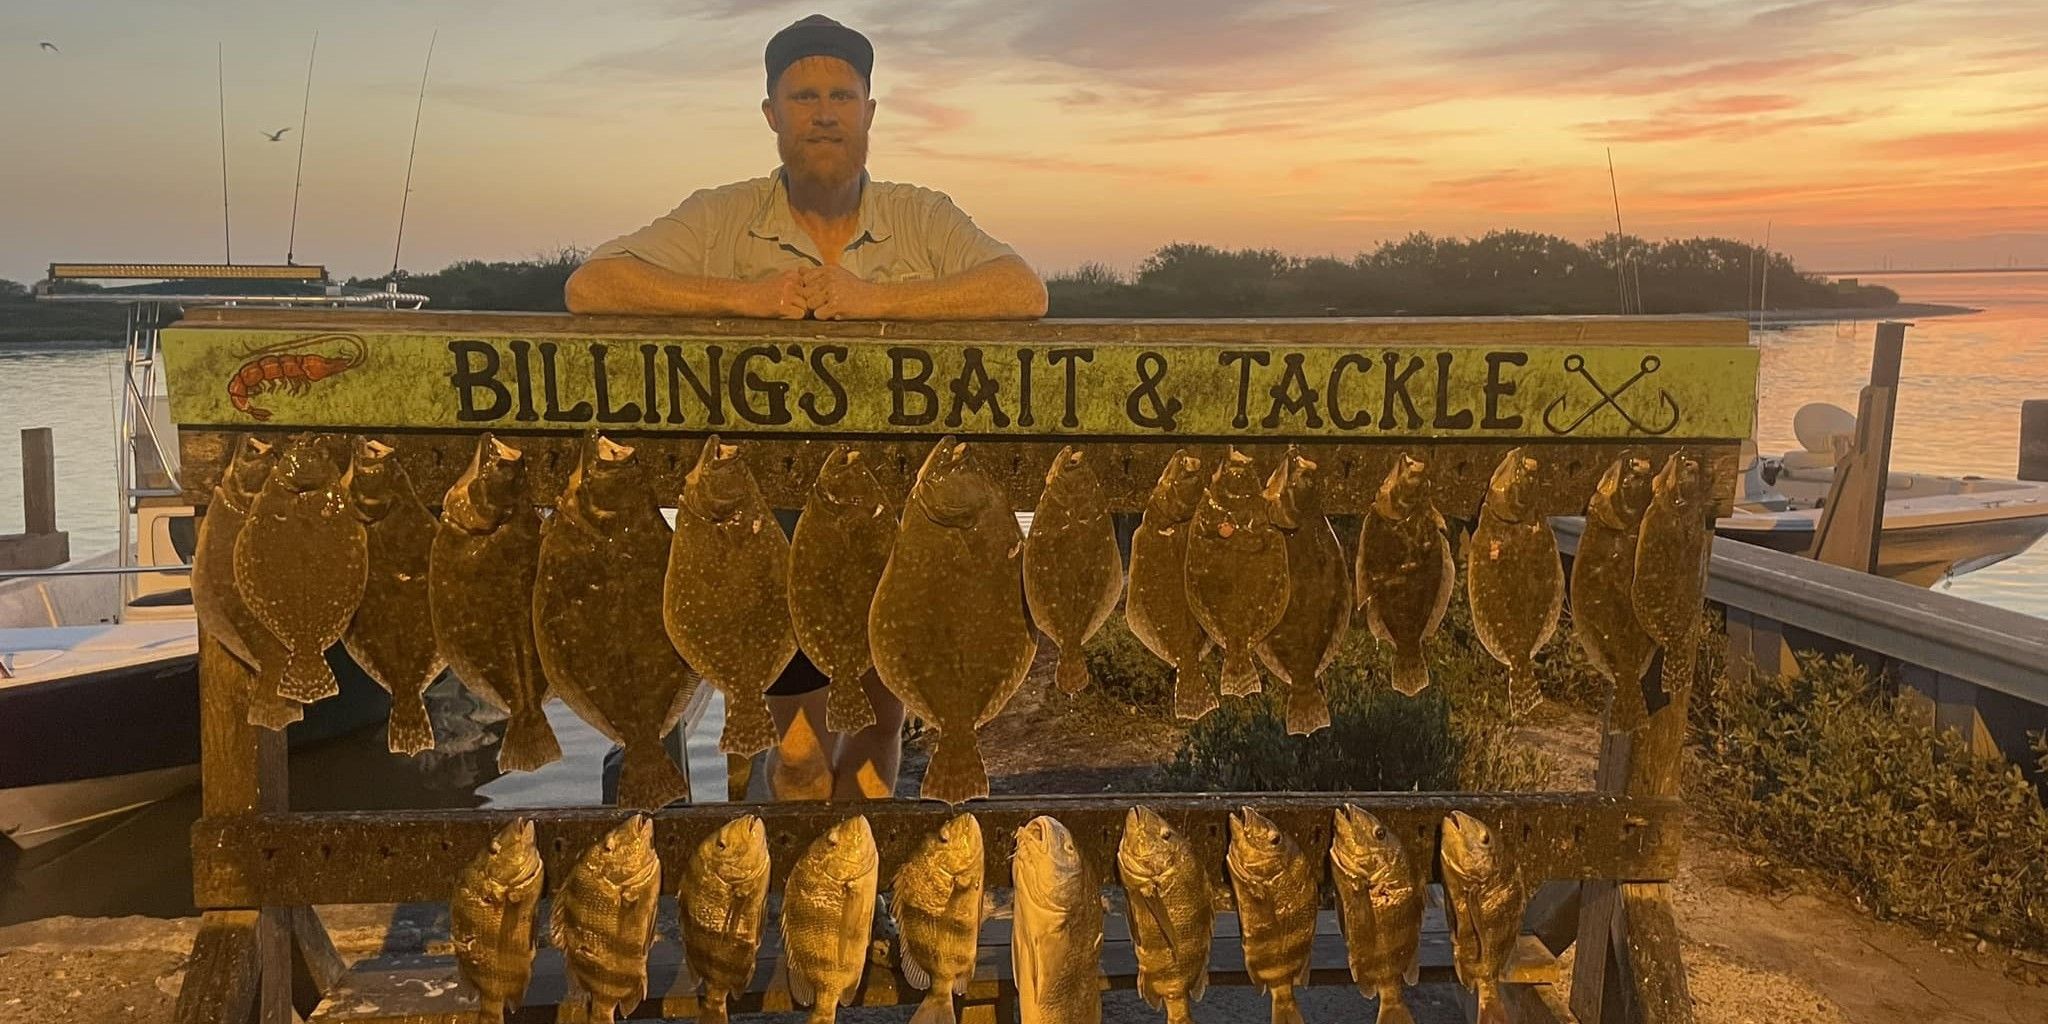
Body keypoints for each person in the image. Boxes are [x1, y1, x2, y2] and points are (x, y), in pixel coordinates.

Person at [566, 14, 1047, 803]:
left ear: (868, 112)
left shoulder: (921, 215)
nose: (824, 112)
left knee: (879, 725)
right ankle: (799, 883)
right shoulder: (723, 217)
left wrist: (875, 301)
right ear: (771, 115)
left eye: (841, 95)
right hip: (765, 536)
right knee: (793, 738)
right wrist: (741, 299)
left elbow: (1021, 291)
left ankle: (860, 877)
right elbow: (593, 287)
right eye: (804, 97)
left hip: (897, 530)